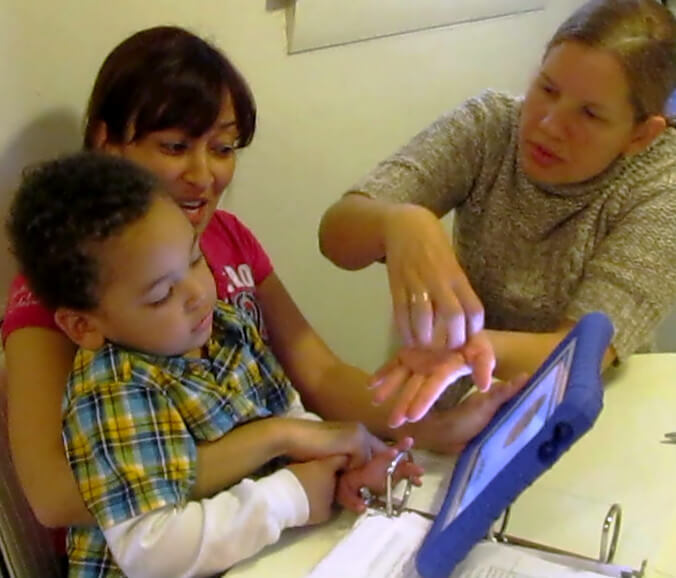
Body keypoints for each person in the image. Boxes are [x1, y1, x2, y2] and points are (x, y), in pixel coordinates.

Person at [1, 26, 521, 536]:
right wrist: (276, 444)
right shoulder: (70, 285)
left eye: (223, 148)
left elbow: (317, 374)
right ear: (107, 145)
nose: (204, 175)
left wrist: (426, 427)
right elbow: (54, 497)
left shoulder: (227, 237)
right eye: (176, 145)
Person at [7, 151, 424, 577]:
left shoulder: (225, 325)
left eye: (193, 259)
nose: (196, 293)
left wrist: (340, 466)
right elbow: (152, 552)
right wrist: (289, 497)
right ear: (83, 326)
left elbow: (289, 417)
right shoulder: (117, 388)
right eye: (159, 295)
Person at [319, 0, 676, 424]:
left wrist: (468, 350)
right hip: (460, 398)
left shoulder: (662, 185)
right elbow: (337, 236)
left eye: (590, 114)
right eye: (547, 88)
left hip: (588, 408)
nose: (547, 124)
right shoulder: (490, 126)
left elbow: (579, 354)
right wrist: (399, 222)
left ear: (641, 134)